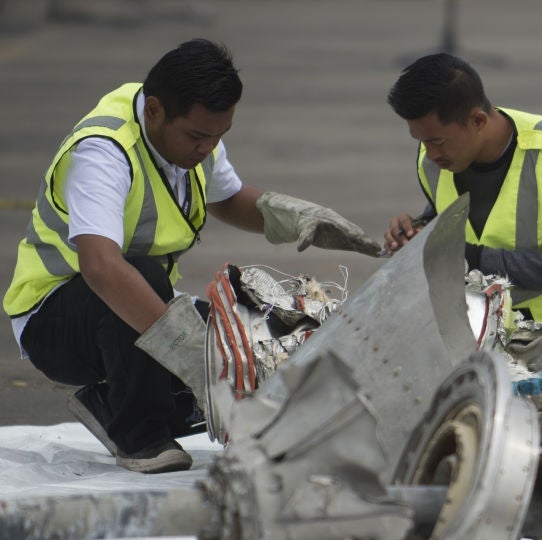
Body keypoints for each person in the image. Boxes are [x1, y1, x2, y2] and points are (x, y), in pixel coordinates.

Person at [3, 38, 378, 473]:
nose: (207, 149)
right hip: (54, 321)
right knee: (163, 306)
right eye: (199, 136)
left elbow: (229, 199)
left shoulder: (193, 135)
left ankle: (113, 402)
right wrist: (188, 352)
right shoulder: (104, 151)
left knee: (251, 338)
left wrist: (301, 219)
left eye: (219, 136)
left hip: (129, 303)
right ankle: (138, 437)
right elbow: (101, 268)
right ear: (156, 110)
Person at [384, 52, 542, 324]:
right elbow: (454, 218)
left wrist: (467, 258)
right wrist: (418, 233)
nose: (429, 154)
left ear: (478, 121)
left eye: (438, 141)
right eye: (420, 140)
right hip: (478, 325)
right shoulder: (434, 161)